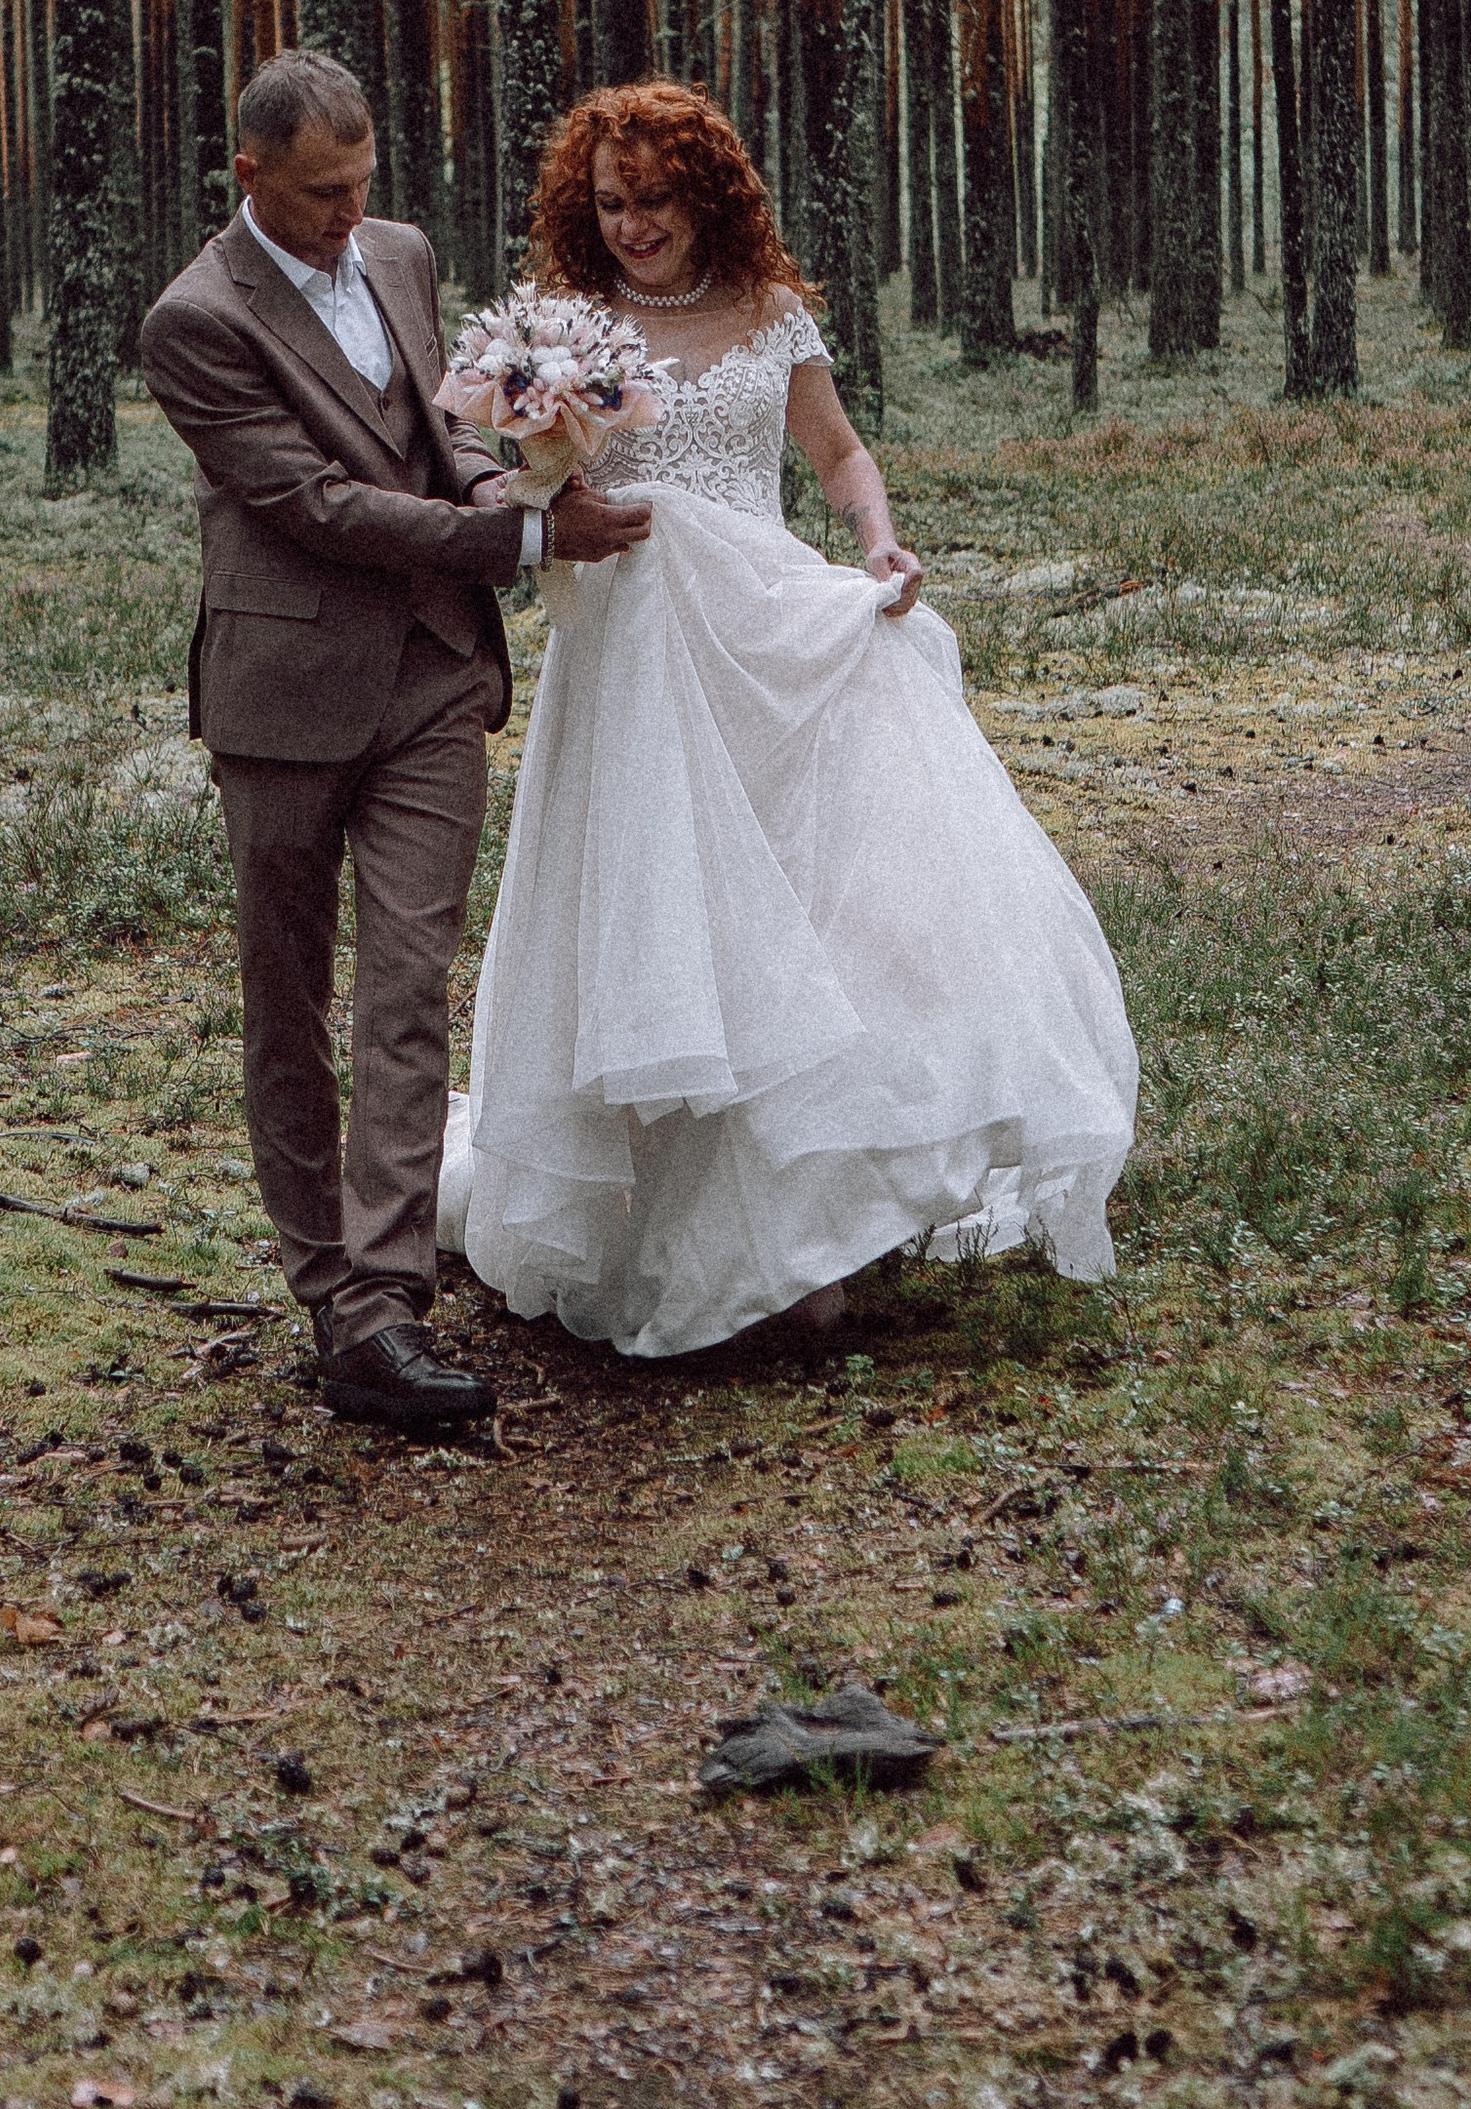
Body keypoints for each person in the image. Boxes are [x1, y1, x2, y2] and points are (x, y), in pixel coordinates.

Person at [445, 79, 1138, 1359]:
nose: (632, 225)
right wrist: (537, 452)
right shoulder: (559, 328)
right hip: (642, 659)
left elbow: (839, 457)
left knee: (824, 913)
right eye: (608, 203)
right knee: (667, 924)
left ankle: (812, 1217)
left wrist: (877, 541)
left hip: (770, 633)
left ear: (708, 196)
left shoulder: (771, 318)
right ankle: (672, 1224)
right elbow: (511, 475)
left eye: (654, 200)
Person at [139, 50, 651, 1436]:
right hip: (284, 698)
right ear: (249, 177)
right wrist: (525, 536)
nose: (347, 219)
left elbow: (436, 442)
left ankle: (387, 1303)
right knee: (289, 996)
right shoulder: (193, 322)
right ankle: (327, 1293)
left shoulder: (405, 256)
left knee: (411, 982)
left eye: (363, 187)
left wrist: (516, 469)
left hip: (432, 674)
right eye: (318, 197)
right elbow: (315, 506)